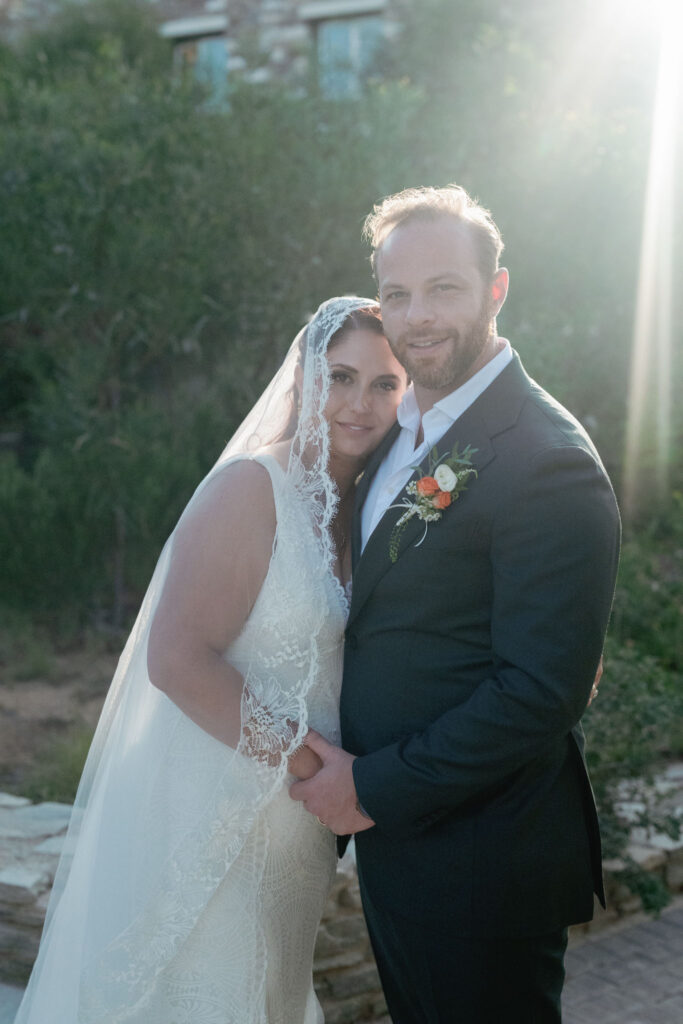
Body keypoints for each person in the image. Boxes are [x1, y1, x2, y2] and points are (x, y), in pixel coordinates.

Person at [14, 296, 408, 1024]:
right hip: (207, 810)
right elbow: (176, 660)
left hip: (294, 835)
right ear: (303, 382)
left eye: (384, 383)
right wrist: (313, 766)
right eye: (340, 377)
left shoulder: (369, 506)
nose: (360, 402)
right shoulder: (251, 488)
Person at [290, 186, 621, 1023]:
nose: (416, 317)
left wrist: (370, 788)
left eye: (444, 288)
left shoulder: (545, 460)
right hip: (405, 855)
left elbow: (541, 691)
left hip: (481, 866)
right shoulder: (397, 429)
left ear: (496, 291)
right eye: (395, 294)